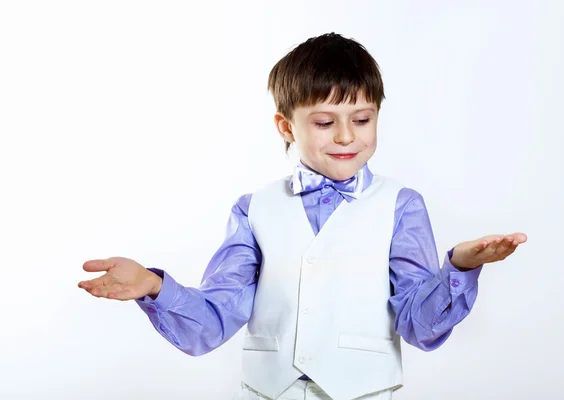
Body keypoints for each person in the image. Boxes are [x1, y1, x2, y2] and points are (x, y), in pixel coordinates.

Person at [78, 32, 527, 400]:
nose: (347, 136)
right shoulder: (254, 209)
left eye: (363, 119)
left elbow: (417, 323)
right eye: (325, 122)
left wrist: (460, 267)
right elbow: (213, 322)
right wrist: (155, 287)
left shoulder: (401, 205)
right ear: (286, 126)